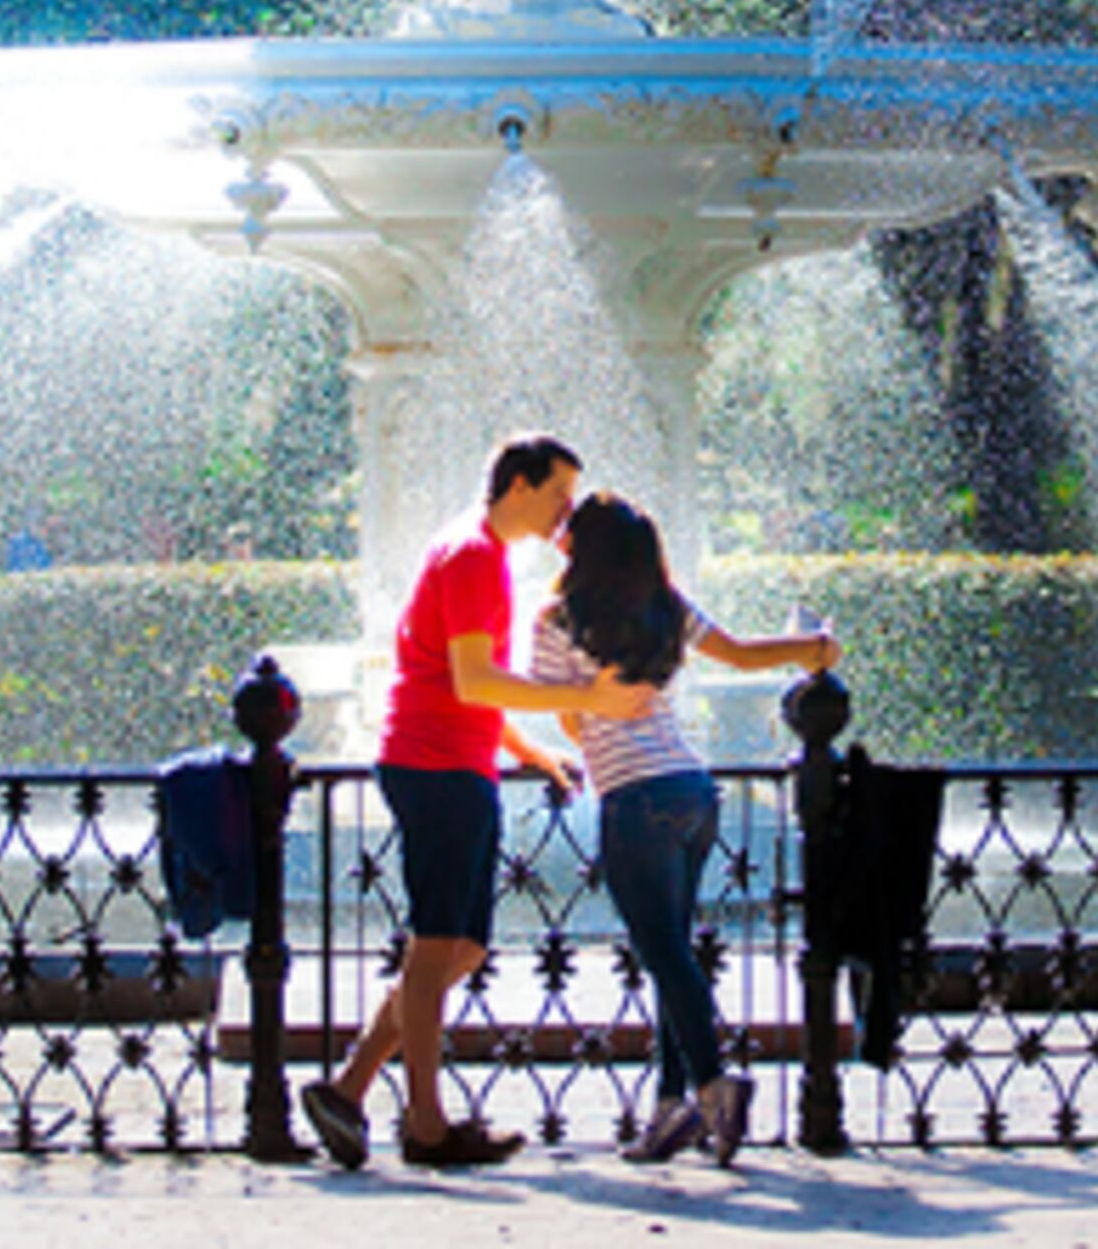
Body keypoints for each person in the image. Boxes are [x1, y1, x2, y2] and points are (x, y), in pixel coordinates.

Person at [303, 435, 660, 1170]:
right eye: (559, 494)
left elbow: (470, 679)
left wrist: (529, 752)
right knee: (436, 947)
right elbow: (473, 680)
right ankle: (427, 1128)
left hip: (451, 762)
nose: (567, 513)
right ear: (520, 485)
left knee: (461, 949)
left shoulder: (474, 551)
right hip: (435, 765)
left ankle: (348, 1089)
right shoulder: (471, 557)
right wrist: (583, 697)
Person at [528, 491, 836, 1166]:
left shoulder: (557, 619)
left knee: (662, 951)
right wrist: (814, 648)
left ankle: (712, 1083)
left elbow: (567, 714)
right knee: (673, 954)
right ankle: (670, 1112)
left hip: (633, 797)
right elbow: (745, 654)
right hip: (694, 791)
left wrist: (593, 717)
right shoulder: (664, 605)